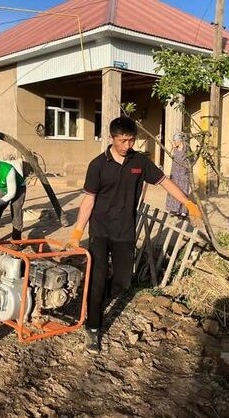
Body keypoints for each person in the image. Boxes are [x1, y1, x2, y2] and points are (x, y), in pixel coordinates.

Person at [66, 116, 202, 354]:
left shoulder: (140, 161)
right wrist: (77, 231)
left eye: (131, 140)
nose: (127, 146)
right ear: (112, 138)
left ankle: (92, 300)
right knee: (97, 280)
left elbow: (165, 182)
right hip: (99, 230)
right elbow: (89, 200)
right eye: (122, 141)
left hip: (125, 231)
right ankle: (94, 327)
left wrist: (188, 203)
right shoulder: (97, 165)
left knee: (122, 282)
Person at [165, 131, 191, 218]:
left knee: (183, 191)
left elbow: (190, 160)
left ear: (180, 140)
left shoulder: (186, 150)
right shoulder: (175, 149)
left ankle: (184, 211)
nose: (174, 142)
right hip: (175, 174)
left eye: (175, 140)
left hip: (183, 174)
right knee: (175, 190)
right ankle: (176, 209)